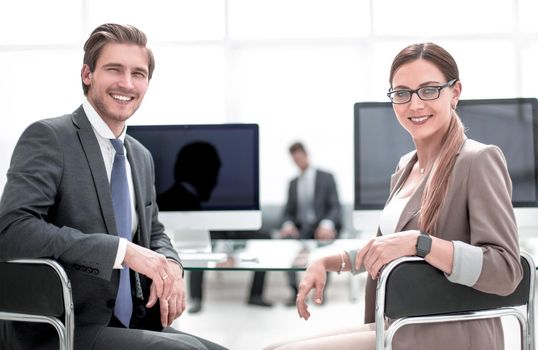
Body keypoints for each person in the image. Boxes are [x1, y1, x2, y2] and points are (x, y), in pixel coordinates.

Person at [265, 42, 522, 350]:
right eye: (402, 93)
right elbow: (385, 247)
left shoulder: (477, 159)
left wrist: (420, 243)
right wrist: (327, 261)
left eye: (428, 90)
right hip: (400, 322)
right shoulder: (405, 166)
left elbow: (506, 270)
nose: (414, 105)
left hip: (447, 331)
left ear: (455, 93)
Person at [0, 23, 227, 350]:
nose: (127, 83)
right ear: (88, 74)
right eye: (114, 69)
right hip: (63, 325)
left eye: (139, 73)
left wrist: (171, 267)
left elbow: (156, 231)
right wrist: (123, 251)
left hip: (129, 321)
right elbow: (12, 230)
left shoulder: (140, 155)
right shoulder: (50, 138)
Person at [157, 143, 271, 313]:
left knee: (264, 238)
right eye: (214, 172)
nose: (216, 179)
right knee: (198, 248)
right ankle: (196, 298)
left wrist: (231, 250)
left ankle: (255, 295)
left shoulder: (227, 189)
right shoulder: (172, 200)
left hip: (234, 228)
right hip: (211, 230)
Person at [279, 142, 342, 306]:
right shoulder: (293, 183)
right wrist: (288, 224)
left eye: (299, 158)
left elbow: (335, 206)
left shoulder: (326, 177)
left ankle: (320, 292)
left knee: (325, 245)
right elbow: (288, 211)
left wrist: (327, 224)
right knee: (287, 244)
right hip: (301, 228)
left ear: (306, 155)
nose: (298, 162)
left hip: (321, 226)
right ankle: (295, 290)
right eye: (294, 160)